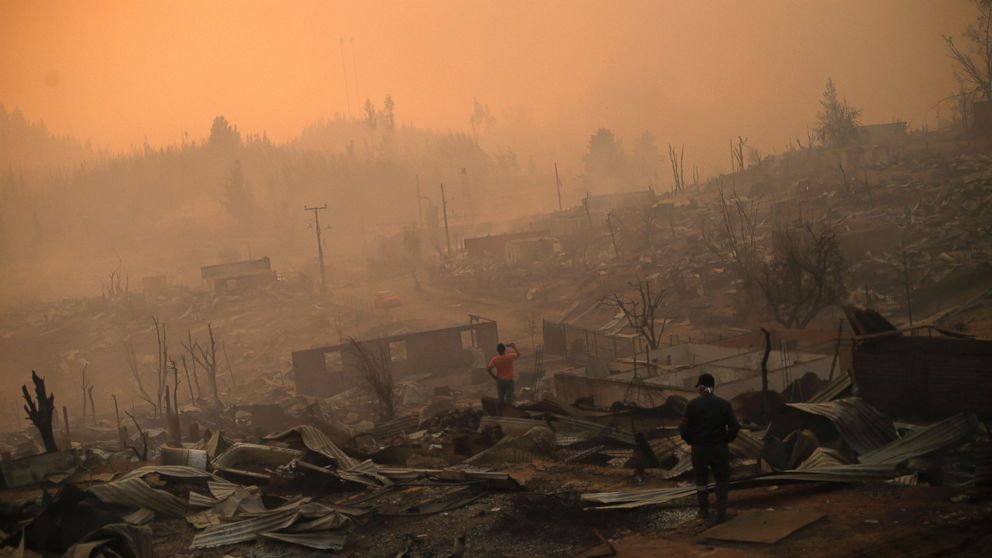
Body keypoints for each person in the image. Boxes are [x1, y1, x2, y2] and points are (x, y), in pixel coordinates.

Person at [678, 372, 740, 522]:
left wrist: (690, 440)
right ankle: (721, 513)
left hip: (700, 450)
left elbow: (683, 428)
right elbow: (735, 426)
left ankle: (704, 512)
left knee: (701, 480)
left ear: (701, 387)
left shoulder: (692, 406)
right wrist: (726, 439)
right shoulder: (724, 405)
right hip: (719, 448)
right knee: (722, 480)